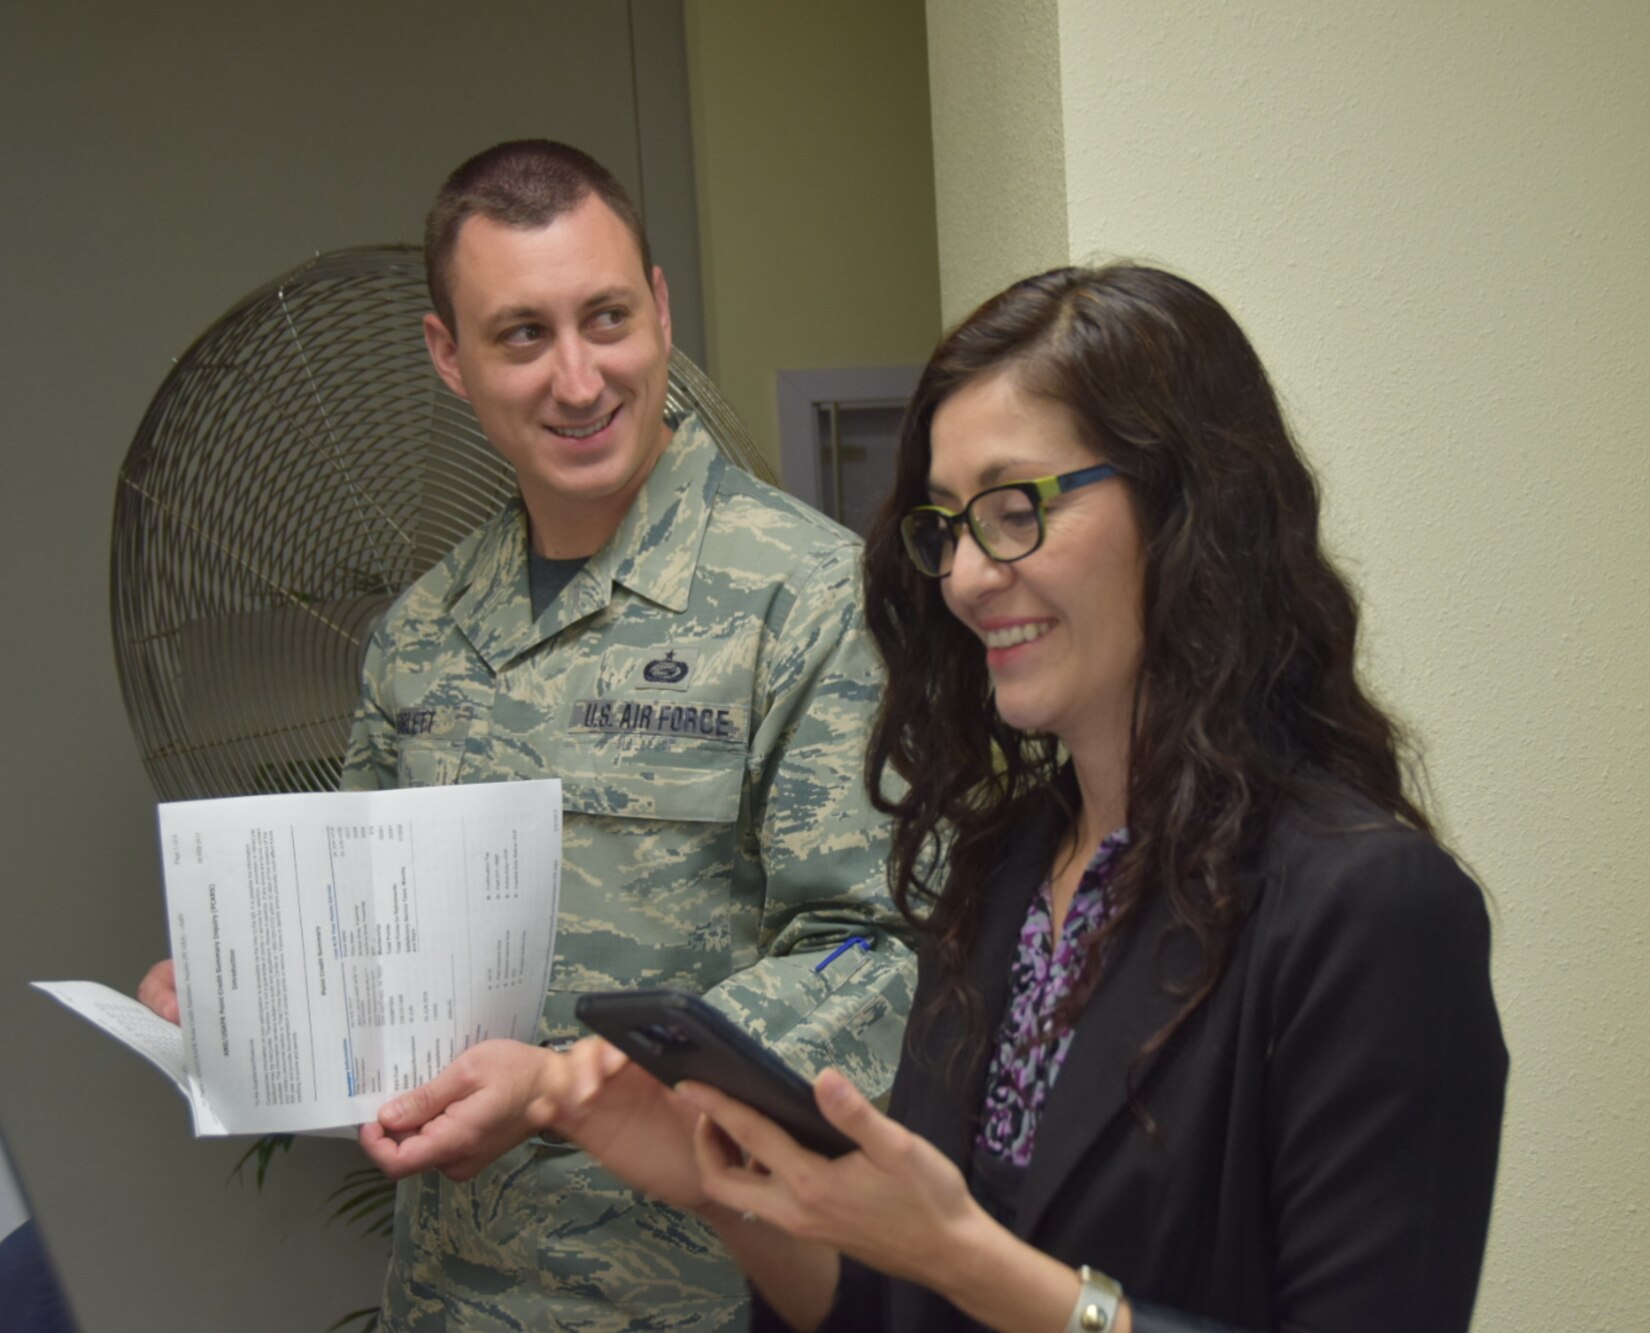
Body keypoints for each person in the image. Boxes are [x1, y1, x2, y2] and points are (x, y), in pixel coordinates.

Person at [523, 263, 1508, 1331]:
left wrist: (966, 1258)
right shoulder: (999, 870)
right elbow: (890, 1310)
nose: (963, 576)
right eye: (947, 523)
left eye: (1011, 508)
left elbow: (963, 1268)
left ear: (1186, 507)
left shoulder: (1369, 911)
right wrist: (724, 1191)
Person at [140, 139, 916, 1332]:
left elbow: (872, 958)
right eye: (520, 336)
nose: (577, 378)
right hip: (448, 1299)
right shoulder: (421, 635)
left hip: (699, 1300)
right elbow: (359, 945)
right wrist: (250, 999)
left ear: (660, 307)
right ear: (447, 356)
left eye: (606, 318)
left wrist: (573, 1087)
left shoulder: (806, 603)